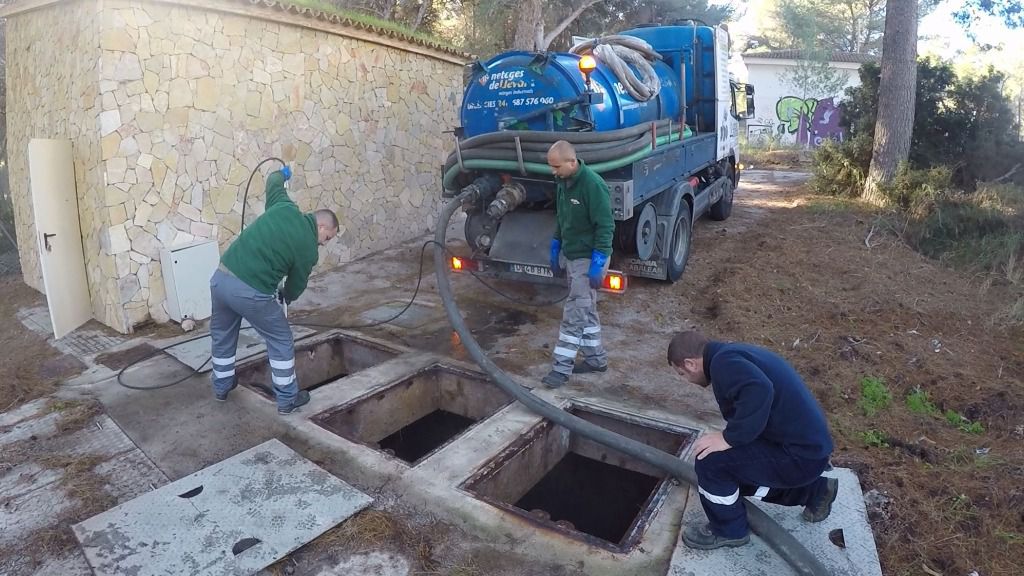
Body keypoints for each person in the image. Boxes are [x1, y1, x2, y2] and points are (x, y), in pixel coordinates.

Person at [666, 330, 838, 550]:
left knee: (711, 463)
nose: (686, 381)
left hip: (798, 457)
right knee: (731, 476)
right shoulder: (732, 353)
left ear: (690, 364)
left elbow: (759, 389)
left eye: (682, 374)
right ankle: (815, 491)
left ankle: (728, 531)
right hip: (806, 450)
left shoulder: (723, 364)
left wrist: (730, 438)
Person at [209, 166, 339, 414]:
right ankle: (288, 399)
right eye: (328, 238)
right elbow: (296, 285)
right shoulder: (308, 248)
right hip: (250, 291)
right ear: (322, 226)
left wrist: (283, 173)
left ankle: (222, 387)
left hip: (221, 278)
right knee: (281, 338)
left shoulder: (283, 205)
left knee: (223, 335)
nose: (325, 243)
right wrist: (286, 296)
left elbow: (272, 181)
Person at [541, 140, 615, 388]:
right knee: (587, 308)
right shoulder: (563, 182)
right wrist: (556, 243)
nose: (553, 171)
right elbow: (563, 217)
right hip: (572, 256)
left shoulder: (593, 185)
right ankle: (596, 360)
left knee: (574, 312)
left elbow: (606, 225)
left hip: (589, 258)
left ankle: (560, 370)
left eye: (556, 166)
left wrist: (599, 260)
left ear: (572, 162)